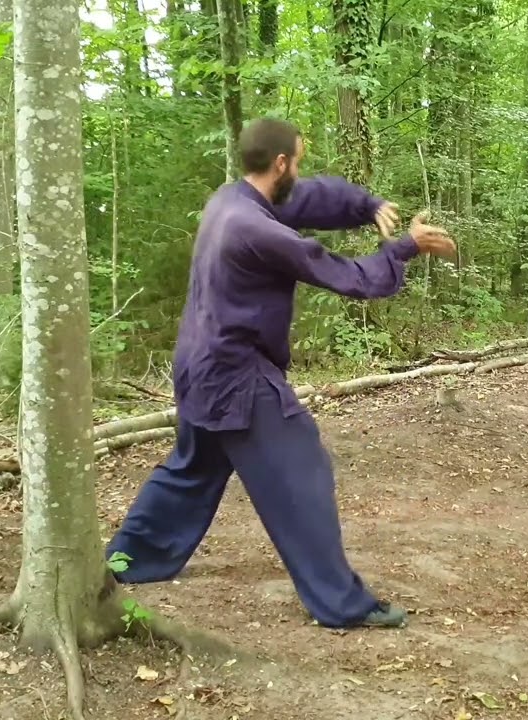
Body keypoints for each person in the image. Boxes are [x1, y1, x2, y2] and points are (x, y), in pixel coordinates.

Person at [104, 117, 456, 629]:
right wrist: (405, 247)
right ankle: (342, 604)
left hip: (198, 364)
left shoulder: (231, 201)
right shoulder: (259, 231)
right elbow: (347, 276)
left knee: (192, 468)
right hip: (235, 375)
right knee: (302, 474)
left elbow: (307, 199)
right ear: (281, 163)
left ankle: (126, 562)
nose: (302, 168)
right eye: (300, 157)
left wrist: (365, 206)